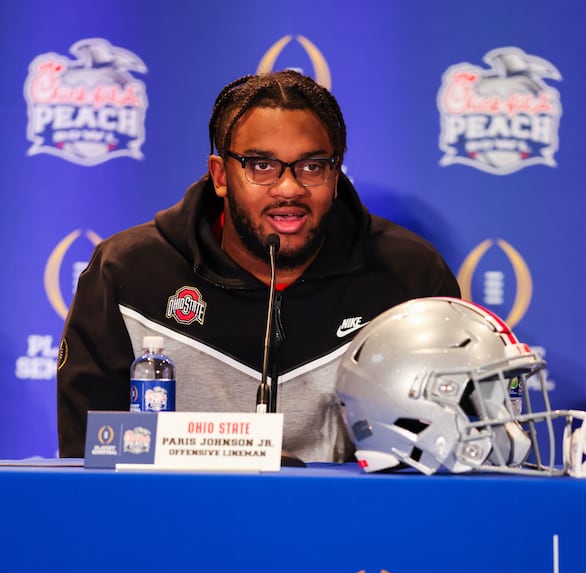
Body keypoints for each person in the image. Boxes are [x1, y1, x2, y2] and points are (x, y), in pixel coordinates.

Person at [56, 70, 460, 463]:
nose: (289, 188)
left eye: (312, 166)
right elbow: (91, 456)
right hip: (174, 524)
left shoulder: (409, 277)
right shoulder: (128, 272)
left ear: (335, 175)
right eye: (261, 166)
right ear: (220, 175)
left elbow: (443, 452)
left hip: (347, 525)